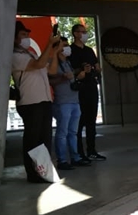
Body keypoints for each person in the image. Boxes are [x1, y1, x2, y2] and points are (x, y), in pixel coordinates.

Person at [12, 21, 60, 183]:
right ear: (14, 38)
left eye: (27, 34)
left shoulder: (30, 54)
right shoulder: (15, 56)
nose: (27, 38)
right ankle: (32, 173)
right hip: (30, 103)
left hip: (44, 101)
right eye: (23, 35)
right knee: (33, 140)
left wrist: (55, 51)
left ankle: (44, 171)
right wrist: (48, 44)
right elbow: (39, 64)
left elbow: (51, 70)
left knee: (44, 138)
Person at [49, 37, 90, 170]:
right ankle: (61, 160)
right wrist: (63, 78)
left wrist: (77, 77)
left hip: (74, 100)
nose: (68, 48)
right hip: (62, 102)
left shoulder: (68, 63)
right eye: (64, 45)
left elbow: (71, 78)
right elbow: (50, 81)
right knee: (62, 132)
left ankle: (75, 157)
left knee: (73, 131)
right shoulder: (52, 63)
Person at [69, 22, 106, 161]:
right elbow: (69, 70)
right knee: (79, 122)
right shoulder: (71, 50)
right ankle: (79, 153)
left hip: (91, 87)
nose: (84, 34)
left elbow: (97, 67)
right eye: (81, 32)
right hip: (79, 89)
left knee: (91, 121)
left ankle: (92, 150)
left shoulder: (89, 50)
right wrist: (81, 70)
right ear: (75, 34)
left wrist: (95, 70)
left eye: (85, 32)